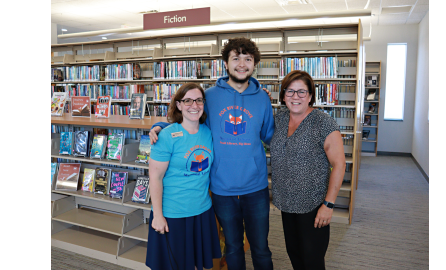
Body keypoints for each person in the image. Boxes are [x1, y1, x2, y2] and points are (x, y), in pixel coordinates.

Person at [149, 37, 274, 270]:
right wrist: (161, 126)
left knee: (261, 248)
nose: (241, 64)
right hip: (221, 189)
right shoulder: (210, 96)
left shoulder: (262, 99)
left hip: (255, 187)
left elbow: (269, 135)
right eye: (235, 58)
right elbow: (191, 120)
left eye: (247, 59)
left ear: (254, 63)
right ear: (226, 63)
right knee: (233, 247)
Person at [270, 70, 346, 270]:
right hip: (286, 203)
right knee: (294, 254)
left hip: (313, 206)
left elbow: (339, 164)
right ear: (283, 95)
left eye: (301, 92)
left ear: (310, 96)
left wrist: (328, 205)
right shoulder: (280, 119)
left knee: (312, 260)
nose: (295, 97)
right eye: (290, 91)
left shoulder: (323, 123)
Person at [145, 82, 222, 270]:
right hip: (173, 214)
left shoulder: (209, 133)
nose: (194, 105)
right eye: (187, 100)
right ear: (178, 105)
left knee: (196, 265)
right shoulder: (165, 136)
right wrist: (158, 216)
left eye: (198, 100)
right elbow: (155, 178)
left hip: (202, 211)